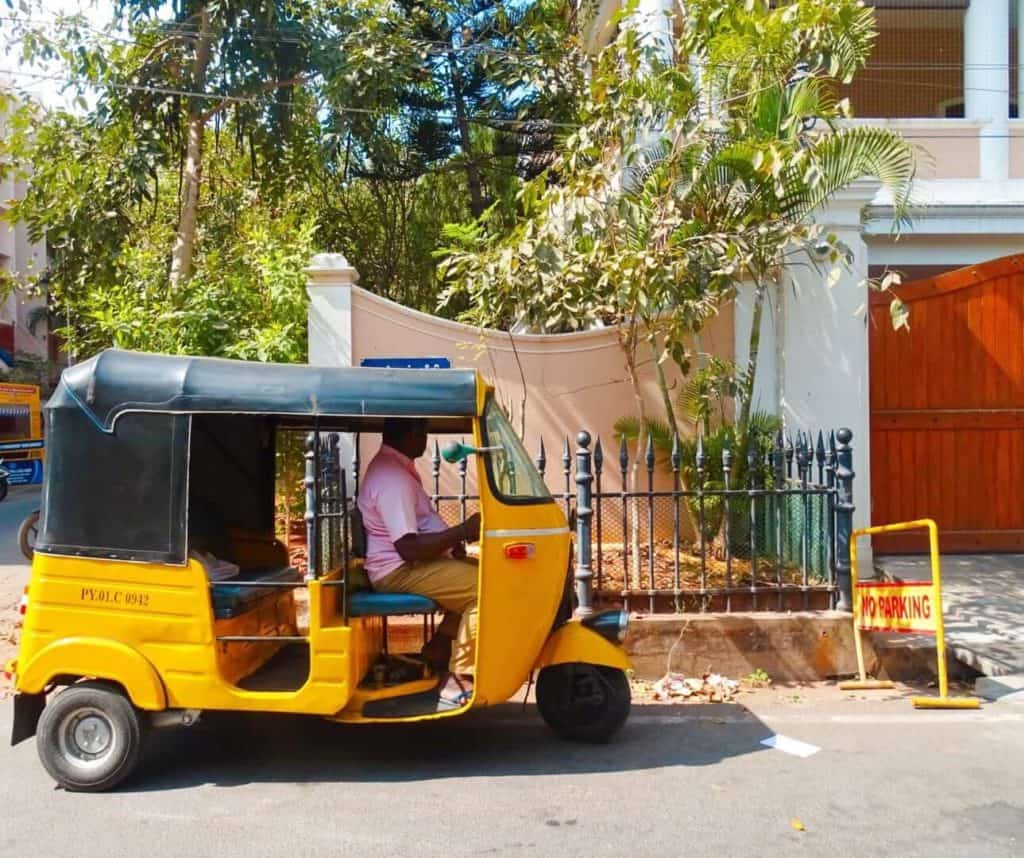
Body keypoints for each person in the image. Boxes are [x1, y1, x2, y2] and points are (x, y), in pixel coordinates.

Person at [357, 418, 481, 709]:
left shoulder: (398, 470)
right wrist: (461, 531)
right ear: (412, 434)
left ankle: (438, 650)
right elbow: (408, 548)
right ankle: (461, 676)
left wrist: (449, 545)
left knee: (485, 573)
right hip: (397, 570)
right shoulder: (392, 479)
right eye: (424, 432)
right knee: (486, 589)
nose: (426, 440)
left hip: (405, 564)